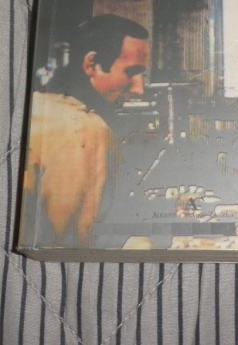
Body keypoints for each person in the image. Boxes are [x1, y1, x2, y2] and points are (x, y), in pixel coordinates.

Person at [22, 14, 149, 245]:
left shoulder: (33, 107)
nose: (139, 89)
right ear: (91, 64)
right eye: (131, 72)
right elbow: (76, 242)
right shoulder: (88, 130)